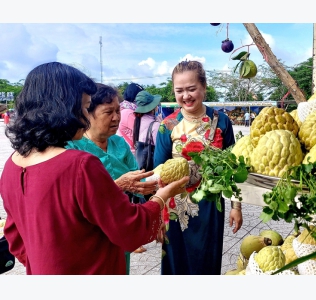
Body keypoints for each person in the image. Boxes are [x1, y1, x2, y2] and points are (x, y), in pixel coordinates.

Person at [0, 62, 189, 275]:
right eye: (83, 107)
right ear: (62, 109)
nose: (84, 118)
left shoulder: (12, 165)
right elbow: (131, 230)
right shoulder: (80, 165)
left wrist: (46, 262)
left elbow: (13, 236)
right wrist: (162, 197)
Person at [154, 60, 243, 275]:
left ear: (203, 87)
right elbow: (157, 173)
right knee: (177, 264)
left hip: (210, 208)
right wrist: (156, 216)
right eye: (179, 91)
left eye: (191, 89)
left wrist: (236, 207)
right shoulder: (168, 126)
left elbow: (234, 167)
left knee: (206, 263)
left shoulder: (221, 121)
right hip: (175, 210)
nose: (186, 96)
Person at [65, 83, 157, 260]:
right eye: (108, 112)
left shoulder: (119, 143)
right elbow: (74, 200)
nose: (116, 118)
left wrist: (158, 186)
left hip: (121, 226)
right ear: (87, 114)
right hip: (91, 233)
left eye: (118, 111)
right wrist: (118, 186)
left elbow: (138, 178)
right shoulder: (72, 149)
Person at [117, 82, 144, 155]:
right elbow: (141, 130)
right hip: (132, 152)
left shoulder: (123, 108)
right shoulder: (129, 113)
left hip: (126, 150)